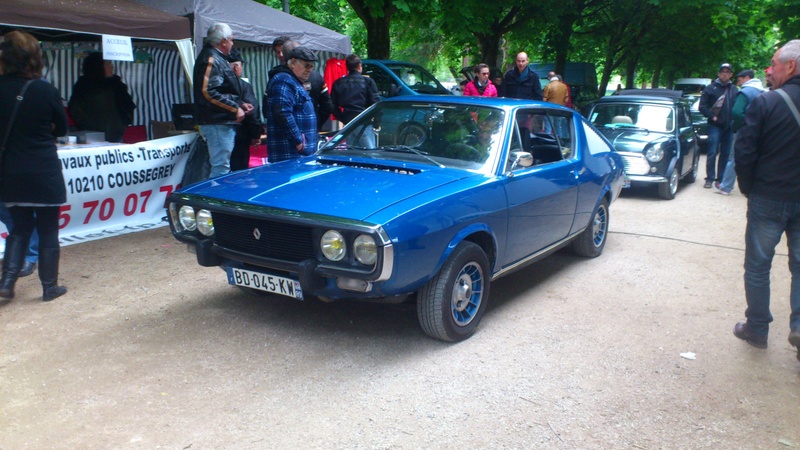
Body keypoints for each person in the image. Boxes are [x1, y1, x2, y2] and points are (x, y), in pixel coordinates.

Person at [732, 39, 800, 361]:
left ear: (792, 66)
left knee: (758, 266)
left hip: (769, 198)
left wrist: (748, 188)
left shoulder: (766, 103)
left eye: (773, 64)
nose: (768, 70)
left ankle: (757, 328)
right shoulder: (766, 100)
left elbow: (744, 152)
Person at [0, 30, 68, 301]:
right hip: (43, 170)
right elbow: (62, 128)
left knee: (19, 227)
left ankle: (7, 283)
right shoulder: (45, 89)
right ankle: (49, 287)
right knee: (49, 228)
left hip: (10, 172)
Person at [193, 23, 253, 179]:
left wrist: (239, 103)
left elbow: (220, 90)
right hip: (217, 122)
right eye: (232, 40)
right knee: (220, 167)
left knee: (220, 165)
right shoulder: (211, 59)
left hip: (218, 120)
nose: (233, 43)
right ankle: (214, 201)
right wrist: (234, 108)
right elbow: (208, 92)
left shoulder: (215, 58)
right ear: (224, 41)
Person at [264, 38, 333, 132]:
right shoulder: (280, 79)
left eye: (310, 66)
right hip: (292, 136)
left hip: (301, 134)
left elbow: (328, 105)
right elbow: (277, 112)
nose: (280, 55)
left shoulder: (278, 77)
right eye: (278, 52)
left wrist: (313, 124)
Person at [714, 69, 765, 195]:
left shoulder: (745, 91)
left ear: (747, 78)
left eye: (740, 78)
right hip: (758, 129)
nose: (738, 81)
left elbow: (737, 112)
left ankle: (726, 186)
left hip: (744, 129)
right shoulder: (762, 91)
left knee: (734, 158)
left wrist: (736, 126)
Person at [265, 46, 318, 162]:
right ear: (293, 63)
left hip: (296, 154)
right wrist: (299, 142)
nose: (309, 69)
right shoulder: (284, 80)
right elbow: (282, 113)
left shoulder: (292, 81)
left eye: (312, 66)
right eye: (306, 65)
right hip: (289, 154)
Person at [67, 52, 135, 143]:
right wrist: (91, 127)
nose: (111, 66)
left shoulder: (117, 84)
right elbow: (76, 110)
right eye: (107, 64)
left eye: (111, 63)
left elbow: (128, 106)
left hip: (116, 136)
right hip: (93, 137)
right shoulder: (84, 85)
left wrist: (123, 124)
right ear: (97, 66)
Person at [699, 63, 737, 188]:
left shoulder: (734, 89)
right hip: (715, 126)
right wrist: (712, 116)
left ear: (731, 74)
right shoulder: (710, 88)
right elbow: (702, 107)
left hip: (729, 127)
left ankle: (720, 178)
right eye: (723, 71)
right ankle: (709, 178)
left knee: (725, 154)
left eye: (728, 72)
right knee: (712, 152)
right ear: (719, 73)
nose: (725, 74)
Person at [227, 49, 262, 171]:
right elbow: (252, 110)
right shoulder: (242, 85)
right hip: (240, 136)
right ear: (236, 67)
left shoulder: (216, 84)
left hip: (221, 134)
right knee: (239, 172)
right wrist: (255, 134)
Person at [331, 54, 380, 126]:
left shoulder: (338, 83)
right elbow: (375, 103)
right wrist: (376, 122)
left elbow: (332, 105)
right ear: (359, 66)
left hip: (348, 121)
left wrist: (343, 118)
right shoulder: (368, 82)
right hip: (365, 120)